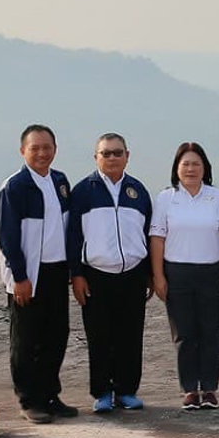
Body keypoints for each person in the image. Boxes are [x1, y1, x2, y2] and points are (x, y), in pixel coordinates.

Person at [66, 132, 152, 414]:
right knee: (99, 336)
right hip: (95, 275)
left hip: (133, 274)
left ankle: (126, 390)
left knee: (130, 334)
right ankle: (102, 392)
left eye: (118, 153)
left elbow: (148, 234)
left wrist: (150, 273)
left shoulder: (138, 191)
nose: (112, 158)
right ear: (96, 158)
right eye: (106, 153)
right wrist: (75, 274)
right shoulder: (82, 192)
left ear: (127, 156)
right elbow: (73, 237)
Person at [0, 124, 75, 424]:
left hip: (57, 270)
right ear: (23, 151)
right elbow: (7, 237)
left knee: (56, 335)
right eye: (35, 148)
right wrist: (19, 276)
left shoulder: (60, 182)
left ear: (55, 149)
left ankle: (50, 395)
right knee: (26, 338)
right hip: (28, 274)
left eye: (47, 147)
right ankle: (29, 400)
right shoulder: (14, 187)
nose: (42, 153)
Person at [149, 142, 219, 409]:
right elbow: (157, 238)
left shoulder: (217, 197)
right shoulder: (166, 198)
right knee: (184, 334)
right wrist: (158, 276)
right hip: (177, 272)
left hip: (209, 271)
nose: (191, 169)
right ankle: (189, 389)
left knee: (211, 332)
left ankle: (208, 389)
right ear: (176, 168)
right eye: (185, 164)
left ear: (205, 168)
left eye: (196, 164)